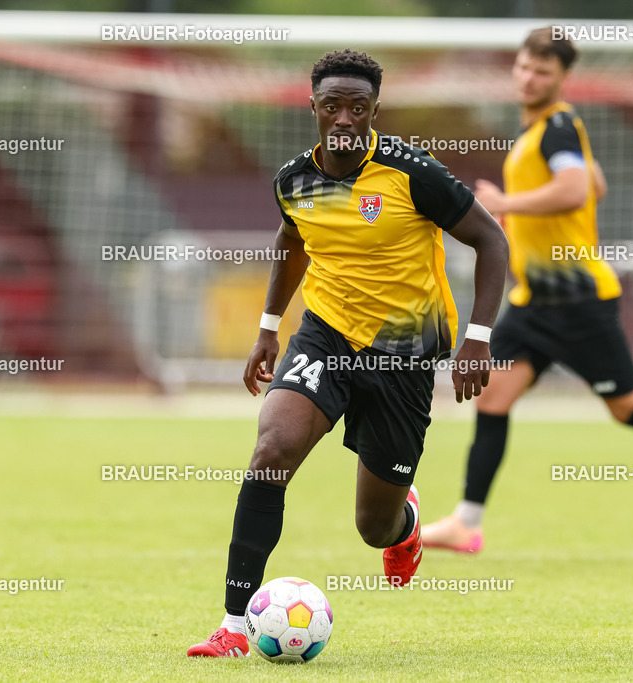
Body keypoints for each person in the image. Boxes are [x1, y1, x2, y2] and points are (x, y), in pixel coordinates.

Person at [186, 49, 509, 658]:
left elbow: (491, 240)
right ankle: (232, 623)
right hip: (325, 337)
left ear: (374, 111)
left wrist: (478, 337)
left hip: (405, 356)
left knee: (373, 526)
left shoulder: (415, 174)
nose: (343, 118)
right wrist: (267, 328)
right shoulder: (293, 181)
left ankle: (405, 524)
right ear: (313, 108)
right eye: (331, 106)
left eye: (356, 108)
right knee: (271, 450)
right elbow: (292, 239)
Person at [421, 28, 633, 557]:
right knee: (493, 396)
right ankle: (468, 522)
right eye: (524, 67)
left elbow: (577, 188)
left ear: (561, 79)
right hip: (534, 300)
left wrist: (507, 202)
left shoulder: (556, 126)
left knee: (628, 406)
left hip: (578, 301)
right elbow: (595, 184)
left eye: (543, 72)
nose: (530, 78)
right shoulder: (550, 131)